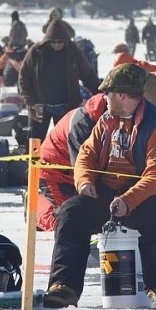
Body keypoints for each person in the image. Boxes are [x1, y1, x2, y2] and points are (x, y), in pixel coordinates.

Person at [44, 63, 156, 309]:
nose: (104, 97)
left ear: (121, 95)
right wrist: (85, 181)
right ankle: (64, 286)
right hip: (108, 192)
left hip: (145, 193)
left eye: (107, 93)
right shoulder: (106, 120)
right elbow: (86, 154)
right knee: (71, 212)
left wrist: (128, 201)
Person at [18, 19, 100, 141]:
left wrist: (100, 93)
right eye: (53, 42)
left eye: (60, 42)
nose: (56, 44)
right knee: (35, 144)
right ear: (47, 40)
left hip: (66, 107)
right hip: (40, 107)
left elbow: (88, 75)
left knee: (66, 144)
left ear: (65, 40)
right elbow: (24, 78)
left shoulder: (73, 52)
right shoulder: (36, 52)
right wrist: (31, 102)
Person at [36, 94, 108, 232]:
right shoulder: (82, 123)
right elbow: (83, 164)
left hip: (73, 169)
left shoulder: (111, 116)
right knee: (65, 222)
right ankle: (36, 206)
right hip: (54, 172)